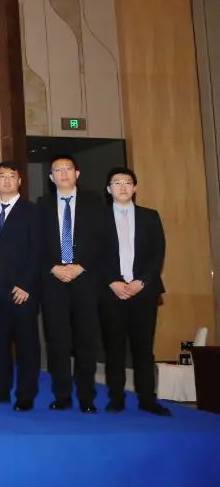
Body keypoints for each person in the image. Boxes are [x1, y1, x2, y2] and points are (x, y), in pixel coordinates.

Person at [40, 154, 106, 413]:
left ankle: (87, 397)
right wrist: (53, 267)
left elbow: (102, 238)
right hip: (54, 282)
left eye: (67, 169)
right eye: (57, 170)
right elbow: (36, 242)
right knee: (57, 342)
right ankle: (62, 395)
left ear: (77, 173)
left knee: (86, 341)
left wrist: (80, 266)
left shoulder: (94, 201)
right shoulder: (42, 204)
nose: (63, 173)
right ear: (51, 177)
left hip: (85, 279)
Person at [100, 167, 170, 416]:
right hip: (111, 292)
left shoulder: (150, 216)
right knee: (114, 348)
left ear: (135, 187)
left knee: (144, 348)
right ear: (109, 189)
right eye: (116, 183)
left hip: (144, 292)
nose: (122, 187)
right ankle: (116, 398)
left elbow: (157, 253)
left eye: (127, 182)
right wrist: (113, 282)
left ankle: (147, 399)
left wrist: (142, 281)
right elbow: (94, 254)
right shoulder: (98, 218)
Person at [0, 161, 43, 411]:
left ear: (19, 181)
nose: (6, 180)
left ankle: (26, 395)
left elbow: (39, 251)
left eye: (11, 176)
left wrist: (27, 284)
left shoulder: (33, 211)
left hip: (22, 291)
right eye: (1, 176)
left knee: (27, 345)